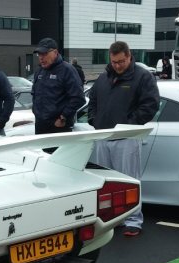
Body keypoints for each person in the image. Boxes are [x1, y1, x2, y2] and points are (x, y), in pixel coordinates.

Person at [88, 41, 160, 237]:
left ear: (129, 56)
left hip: (127, 137)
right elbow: (92, 101)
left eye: (121, 61)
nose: (118, 65)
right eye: (114, 62)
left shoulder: (142, 77)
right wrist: (95, 121)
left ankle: (133, 221)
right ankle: (113, 219)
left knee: (130, 182)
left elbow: (151, 104)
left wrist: (129, 124)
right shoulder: (103, 78)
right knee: (107, 183)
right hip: (103, 136)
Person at [31, 38, 85, 134]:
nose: (41, 57)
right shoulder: (39, 71)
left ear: (55, 52)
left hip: (58, 128)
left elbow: (78, 98)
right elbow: (35, 95)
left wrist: (63, 117)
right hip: (40, 126)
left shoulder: (67, 70)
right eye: (39, 54)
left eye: (45, 53)